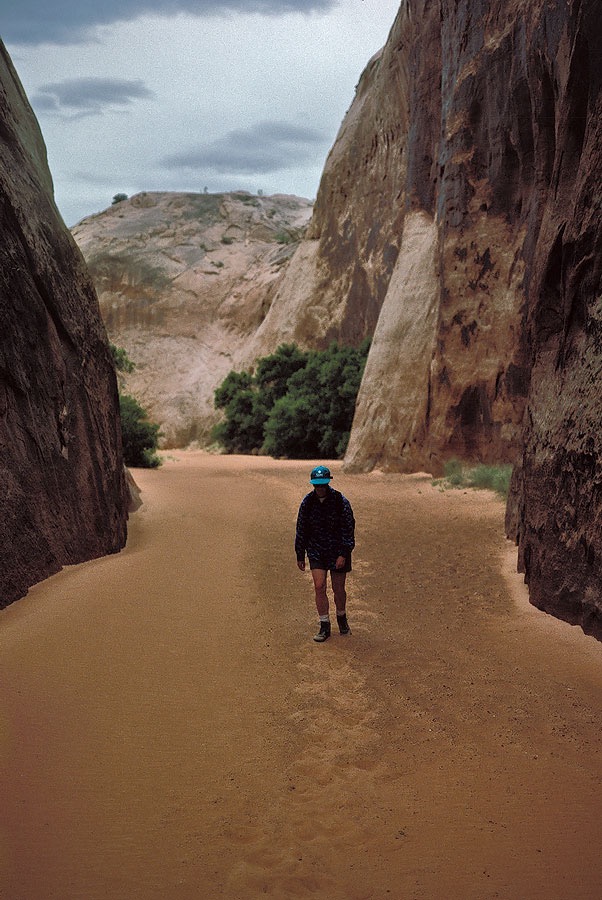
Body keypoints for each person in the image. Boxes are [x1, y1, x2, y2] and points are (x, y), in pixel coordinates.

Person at [295, 465, 355, 642]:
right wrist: (300, 554)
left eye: (322, 485)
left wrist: (343, 553)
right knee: (319, 586)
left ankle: (342, 618)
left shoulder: (340, 501)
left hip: (338, 551)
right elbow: (301, 529)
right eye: (316, 485)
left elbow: (348, 528)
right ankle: (324, 625)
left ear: (328, 483)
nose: (319, 488)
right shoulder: (307, 503)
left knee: (338, 589)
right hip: (316, 551)